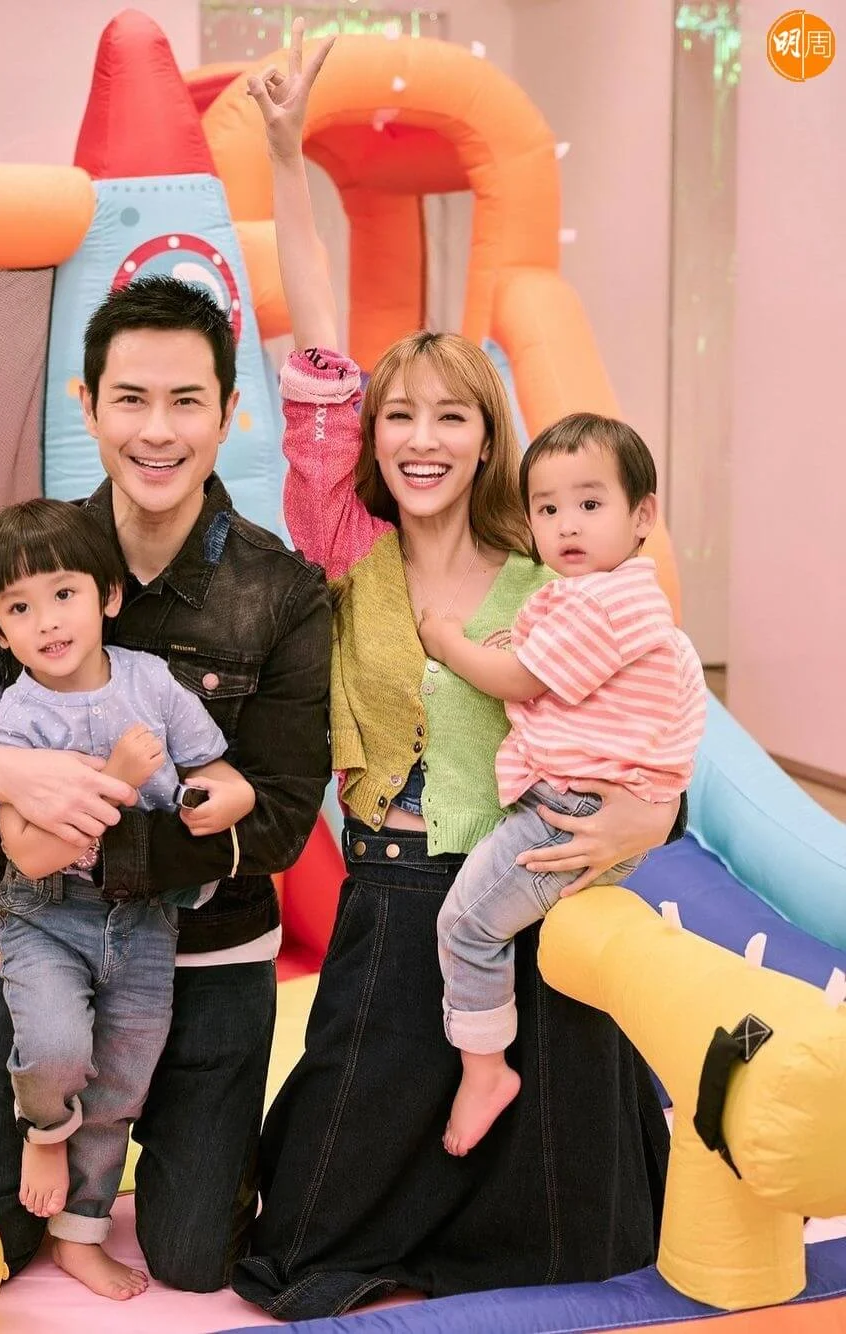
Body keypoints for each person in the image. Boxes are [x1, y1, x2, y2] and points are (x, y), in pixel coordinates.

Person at [232, 23, 682, 1319]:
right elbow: (318, 340)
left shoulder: (549, 567)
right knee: (308, 1225)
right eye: (400, 415)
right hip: (393, 885)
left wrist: (652, 815)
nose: (423, 437)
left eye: (453, 414)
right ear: (372, 436)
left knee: (577, 1203)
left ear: (489, 437)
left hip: (536, 875)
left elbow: (649, 702)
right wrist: (285, 158)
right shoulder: (348, 542)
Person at [0, 275, 332, 1293]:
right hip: (53, 946)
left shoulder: (284, 592)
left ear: (230, 411)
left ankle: (168, 1112)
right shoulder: (25, 560)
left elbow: (281, 816)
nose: (157, 431)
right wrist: (7, 772)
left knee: (194, 1260)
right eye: (130, 398)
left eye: (187, 401)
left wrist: (86, 825)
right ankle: (45, 1087)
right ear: (87, 405)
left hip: (212, 953)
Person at [0, 497, 257, 1298]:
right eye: (20, 609)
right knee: (57, 1046)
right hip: (46, 915)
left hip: (146, 921)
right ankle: (43, 1132)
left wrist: (223, 799)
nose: (48, 622)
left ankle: (80, 1233)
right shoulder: (18, 718)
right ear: (0, 634)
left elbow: (213, 768)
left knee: (123, 1081)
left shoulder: (151, 683)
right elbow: (29, 851)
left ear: (109, 597)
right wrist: (120, 783)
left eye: (64, 594)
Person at [420, 415, 706, 1157]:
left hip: (568, 812)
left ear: (642, 515)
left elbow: (520, 678)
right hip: (582, 804)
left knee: (467, 925)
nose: (567, 524)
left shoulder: (606, 601)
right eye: (547, 508)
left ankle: (485, 1071)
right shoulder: (609, 598)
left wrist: (446, 640)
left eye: (589, 503)